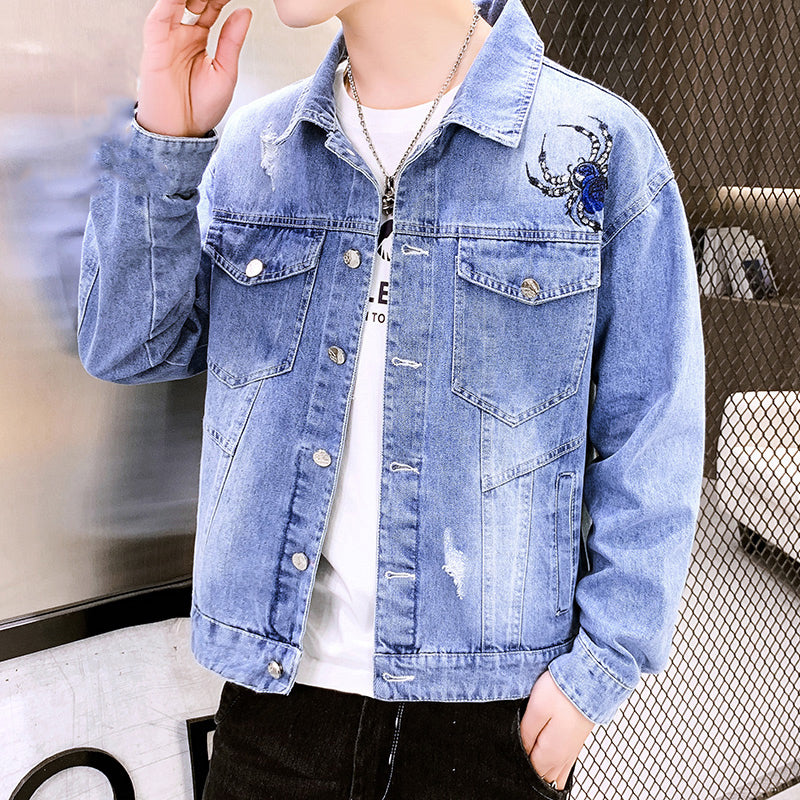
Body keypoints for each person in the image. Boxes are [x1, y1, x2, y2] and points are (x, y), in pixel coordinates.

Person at [77, 0, 706, 796]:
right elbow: (128, 345)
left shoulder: (595, 147)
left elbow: (654, 432)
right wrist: (164, 133)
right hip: (275, 711)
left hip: (487, 717)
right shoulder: (259, 147)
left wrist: (601, 668)